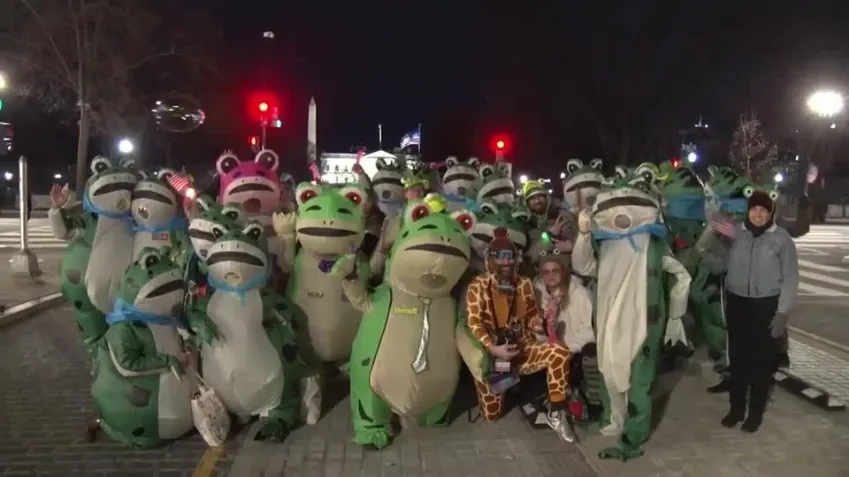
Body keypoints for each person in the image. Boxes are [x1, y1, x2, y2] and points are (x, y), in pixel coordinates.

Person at [465, 227, 575, 442]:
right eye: (501, 257)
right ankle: (508, 392)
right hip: (495, 356)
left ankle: (557, 412)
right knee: (491, 416)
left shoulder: (524, 283)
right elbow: (473, 322)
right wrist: (492, 346)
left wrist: (542, 323)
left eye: (511, 257)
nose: (506, 262)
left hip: (523, 348)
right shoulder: (477, 286)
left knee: (559, 352)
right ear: (490, 259)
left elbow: (532, 317)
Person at [721, 189, 798, 433]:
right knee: (738, 359)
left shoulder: (781, 239)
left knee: (762, 363)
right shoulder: (735, 232)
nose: (758, 214)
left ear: (770, 213)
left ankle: (754, 414)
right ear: (748, 210)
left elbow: (790, 277)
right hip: (737, 303)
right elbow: (711, 230)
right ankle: (735, 409)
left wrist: (782, 313)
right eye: (754, 209)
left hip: (766, 305)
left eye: (763, 210)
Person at [533, 248, 601, 418]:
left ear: (563, 271)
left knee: (590, 354)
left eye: (555, 270)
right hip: (550, 350)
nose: (550, 275)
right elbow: (537, 333)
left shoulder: (580, 294)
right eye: (546, 272)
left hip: (574, 350)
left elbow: (589, 330)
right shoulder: (537, 295)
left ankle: (593, 402)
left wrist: (569, 349)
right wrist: (546, 324)